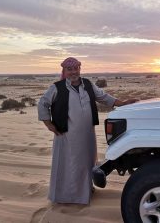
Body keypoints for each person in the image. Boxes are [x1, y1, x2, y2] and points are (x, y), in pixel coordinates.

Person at [38, 57, 137, 205]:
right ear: (64, 71)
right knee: (68, 164)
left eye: (76, 68)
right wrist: (48, 123)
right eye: (69, 69)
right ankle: (65, 196)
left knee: (86, 162)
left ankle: (84, 193)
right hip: (66, 135)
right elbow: (43, 103)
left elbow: (103, 97)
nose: (73, 72)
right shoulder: (57, 87)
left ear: (80, 69)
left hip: (87, 135)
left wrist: (121, 103)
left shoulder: (88, 85)